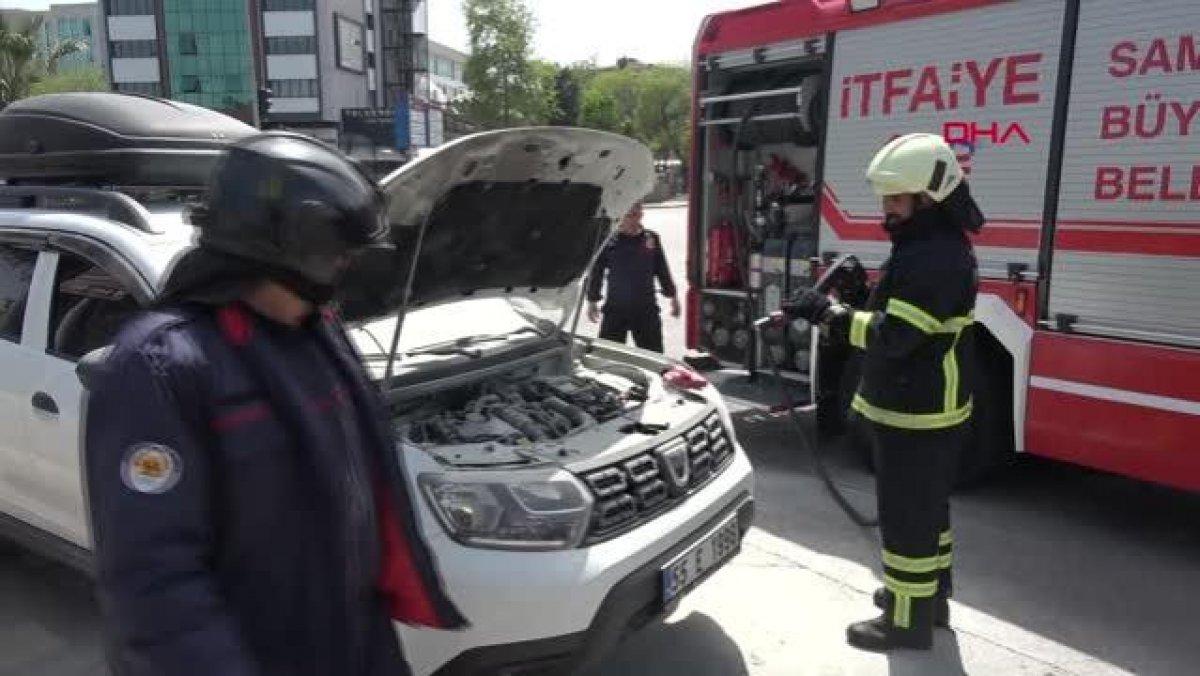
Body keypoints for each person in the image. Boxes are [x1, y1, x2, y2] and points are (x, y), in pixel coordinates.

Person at [84, 132, 467, 676]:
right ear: (290, 249)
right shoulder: (161, 367)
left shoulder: (315, 332)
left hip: (350, 643)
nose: (347, 269)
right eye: (339, 255)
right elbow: (154, 584)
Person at [786, 133, 983, 651]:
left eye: (897, 200)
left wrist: (829, 315)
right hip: (929, 405)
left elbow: (895, 337)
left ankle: (906, 623)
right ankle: (928, 600)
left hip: (915, 410)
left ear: (929, 198)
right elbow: (900, 314)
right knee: (929, 515)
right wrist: (859, 299)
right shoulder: (930, 247)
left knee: (905, 520)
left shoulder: (933, 258)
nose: (887, 210)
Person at [585, 201, 681, 353]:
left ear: (642, 212)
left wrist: (673, 297)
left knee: (653, 357)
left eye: (637, 207)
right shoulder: (608, 240)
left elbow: (661, 269)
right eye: (628, 208)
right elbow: (596, 272)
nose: (632, 211)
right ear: (620, 214)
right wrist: (592, 300)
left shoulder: (651, 238)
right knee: (607, 357)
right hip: (615, 310)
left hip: (646, 309)